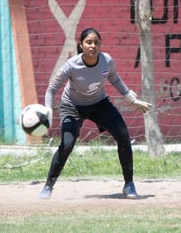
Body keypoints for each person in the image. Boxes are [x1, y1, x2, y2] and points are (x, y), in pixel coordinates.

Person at [39, 27, 152, 200]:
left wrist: (131, 98)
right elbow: (51, 89)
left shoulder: (107, 61)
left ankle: (129, 184)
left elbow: (114, 78)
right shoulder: (71, 65)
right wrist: (47, 110)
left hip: (99, 104)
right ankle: (48, 185)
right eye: (88, 42)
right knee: (67, 144)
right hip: (72, 106)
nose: (93, 46)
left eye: (96, 42)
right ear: (81, 45)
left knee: (122, 134)